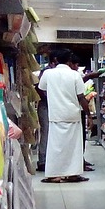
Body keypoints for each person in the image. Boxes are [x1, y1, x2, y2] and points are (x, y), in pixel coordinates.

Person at [37, 49, 91, 183]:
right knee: (73, 146)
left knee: (55, 146)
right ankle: (73, 174)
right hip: (72, 114)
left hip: (55, 114)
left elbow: (42, 88)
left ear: (56, 60)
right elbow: (81, 97)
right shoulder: (75, 75)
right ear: (68, 61)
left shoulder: (48, 74)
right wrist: (89, 115)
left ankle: (54, 175)